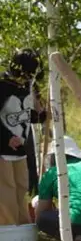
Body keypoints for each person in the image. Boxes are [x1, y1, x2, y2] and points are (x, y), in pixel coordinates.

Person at [0, 49, 47, 225]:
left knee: (21, 189)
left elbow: (24, 114)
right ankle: (8, 232)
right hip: (3, 150)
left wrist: (41, 117)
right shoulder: (2, 85)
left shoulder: (26, 86)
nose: (31, 79)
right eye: (29, 74)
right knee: (6, 192)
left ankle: (24, 226)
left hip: (20, 148)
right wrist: (6, 138)